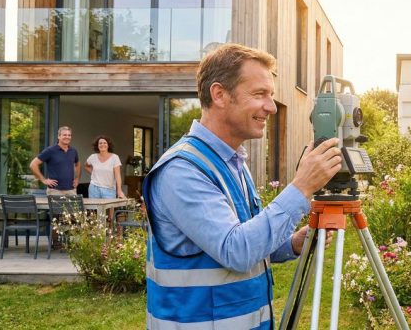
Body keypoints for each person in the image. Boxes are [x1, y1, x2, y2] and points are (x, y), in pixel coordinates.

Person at [143, 43, 342, 329]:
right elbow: (236, 251)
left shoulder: (231, 162)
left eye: (271, 95)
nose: (271, 107)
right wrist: (301, 187)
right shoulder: (182, 170)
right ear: (220, 94)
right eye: (260, 94)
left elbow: (248, 241)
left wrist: (292, 244)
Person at [30, 126, 80, 196]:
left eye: (69, 135)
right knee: (56, 208)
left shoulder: (73, 151)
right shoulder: (50, 150)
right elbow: (33, 164)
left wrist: (77, 179)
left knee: (72, 207)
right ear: (59, 136)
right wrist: (43, 180)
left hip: (71, 190)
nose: (67, 137)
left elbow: (77, 164)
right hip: (55, 191)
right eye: (64, 135)